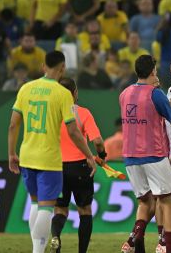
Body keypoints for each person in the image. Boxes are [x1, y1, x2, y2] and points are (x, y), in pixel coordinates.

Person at [8, 51, 96, 253]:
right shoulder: (62, 93)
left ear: (43, 67)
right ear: (62, 68)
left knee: (36, 205)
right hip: (49, 159)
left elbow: (13, 125)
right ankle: (37, 251)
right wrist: (89, 156)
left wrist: (11, 153)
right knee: (47, 208)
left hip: (27, 156)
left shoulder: (26, 88)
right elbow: (73, 131)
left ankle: (37, 247)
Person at [119, 54, 171, 253]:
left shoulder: (124, 93)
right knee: (166, 201)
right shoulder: (156, 94)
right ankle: (167, 245)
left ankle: (133, 240)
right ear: (153, 71)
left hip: (129, 157)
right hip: (153, 154)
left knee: (146, 201)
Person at [51, 77, 107, 253]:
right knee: (84, 210)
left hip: (56, 166)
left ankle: (55, 237)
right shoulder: (83, 113)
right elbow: (97, 141)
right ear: (75, 93)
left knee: (60, 209)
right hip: (80, 167)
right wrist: (101, 155)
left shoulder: (51, 114)